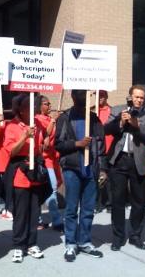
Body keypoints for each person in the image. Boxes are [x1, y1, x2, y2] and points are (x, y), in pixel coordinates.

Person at [103, 85, 145, 251]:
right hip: (119, 160)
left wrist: (138, 126)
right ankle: (118, 237)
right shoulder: (118, 109)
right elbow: (106, 129)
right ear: (130, 96)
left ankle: (135, 236)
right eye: (136, 97)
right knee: (118, 201)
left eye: (142, 97)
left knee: (139, 201)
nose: (139, 100)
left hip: (139, 161)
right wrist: (120, 122)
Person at [55, 89, 105, 262]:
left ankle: (84, 241)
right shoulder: (65, 118)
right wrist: (77, 143)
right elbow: (58, 144)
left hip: (91, 169)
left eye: (86, 95)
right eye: (80, 95)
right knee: (71, 208)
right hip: (72, 169)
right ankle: (71, 243)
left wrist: (102, 168)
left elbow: (102, 145)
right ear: (73, 96)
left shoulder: (94, 118)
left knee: (88, 209)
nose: (84, 98)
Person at [3, 93, 48, 263]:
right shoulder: (12, 126)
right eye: (28, 107)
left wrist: (44, 143)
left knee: (34, 212)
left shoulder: (37, 123)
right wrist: (24, 137)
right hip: (20, 174)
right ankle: (18, 245)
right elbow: (11, 152)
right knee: (21, 213)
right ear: (20, 110)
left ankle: (31, 243)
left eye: (33, 107)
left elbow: (43, 145)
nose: (33, 110)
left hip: (34, 172)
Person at [34, 94, 63, 230]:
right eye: (46, 103)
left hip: (53, 158)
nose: (49, 106)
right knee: (52, 189)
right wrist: (52, 122)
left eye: (50, 103)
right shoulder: (37, 120)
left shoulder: (49, 118)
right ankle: (56, 220)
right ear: (39, 106)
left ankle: (38, 220)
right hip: (44, 160)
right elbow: (44, 139)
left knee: (46, 189)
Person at [93, 90, 113, 213]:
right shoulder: (91, 111)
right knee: (96, 177)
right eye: (97, 95)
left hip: (110, 148)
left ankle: (110, 203)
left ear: (106, 97)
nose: (99, 98)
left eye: (102, 95)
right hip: (96, 149)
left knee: (110, 178)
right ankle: (97, 203)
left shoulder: (112, 110)